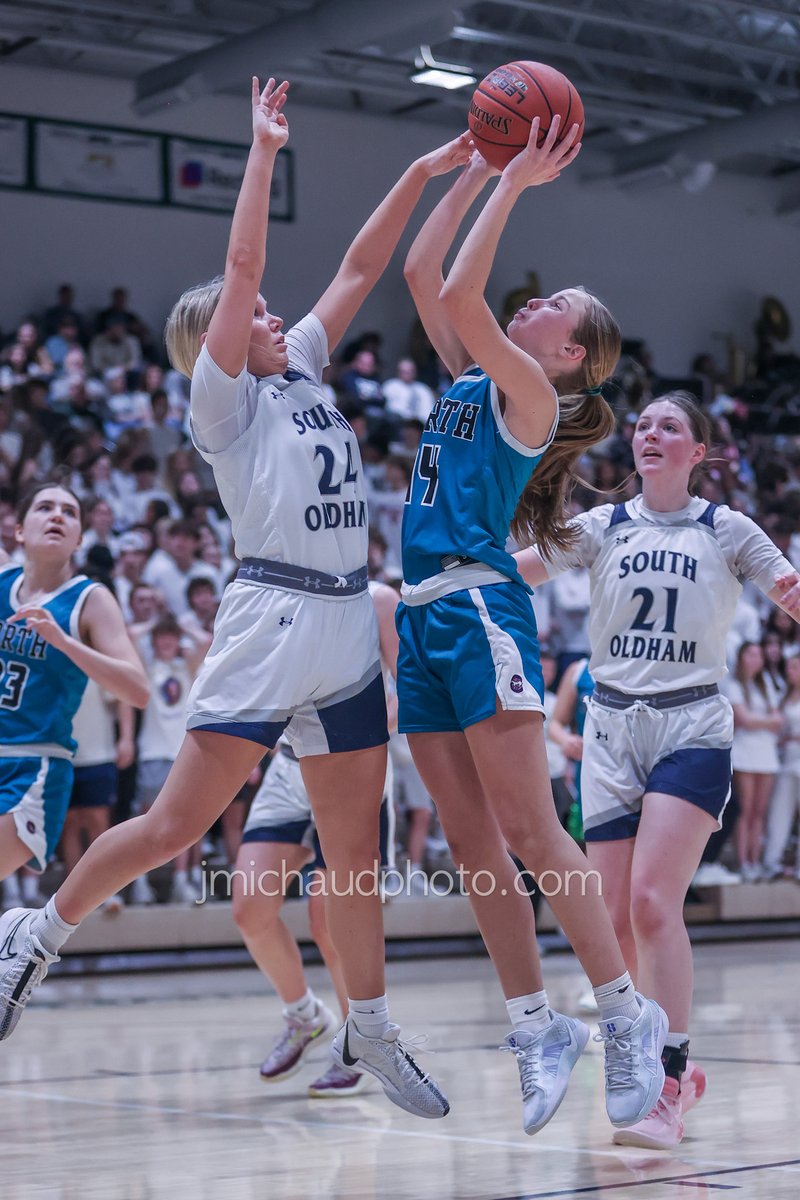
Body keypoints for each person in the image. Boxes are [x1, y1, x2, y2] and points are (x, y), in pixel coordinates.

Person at [0, 77, 471, 1121]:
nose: (270, 313)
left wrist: (423, 170)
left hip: (344, 619)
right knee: (175, 826)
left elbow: (359, 267)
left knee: (355, 857)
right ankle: (36, 934)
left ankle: (369, 1025)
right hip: (271, 617)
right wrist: (261, 151)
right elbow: (245, 263)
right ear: (211, 336)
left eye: (264, 312)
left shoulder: (299, 366)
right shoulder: (220, 399)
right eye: (249, 313)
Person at [399, 114, 666, 1139]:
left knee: (528, 829)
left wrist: (512, 181)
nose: (534, 301)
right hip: (421, 616)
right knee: (472, 842)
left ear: (567, 354)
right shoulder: (476, 377)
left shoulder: (528, 399)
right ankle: (534, 1025)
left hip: (478, 606)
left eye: (554, 306)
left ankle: (623, 1011)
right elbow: (425, 274)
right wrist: (471, 169)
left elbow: (465, 296)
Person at [515, 390, 800, 1147]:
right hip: (610, 728)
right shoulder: (601, 525)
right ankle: (659, 1068)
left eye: (669, 426)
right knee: (611, 918)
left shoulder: (726, 527)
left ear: (697, 452)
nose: (649, 433)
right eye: (642, 425)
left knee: (650, 903)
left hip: (691, 724)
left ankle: (667, 1078)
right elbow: (516, 574)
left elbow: (788, 593)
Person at [231, 579, 399, 1098]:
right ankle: (304, 1015)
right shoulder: (275, 595)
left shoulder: (378, 600)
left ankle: (359, 1042)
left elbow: (407, 687)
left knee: (329, 920)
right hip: (288, 766)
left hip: (352, 767)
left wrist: (369, 736)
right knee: (249, 908)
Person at [0, 482, 148, 920]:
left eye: (69, 512)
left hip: (33, 767)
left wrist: (65, 643)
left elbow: (137, 690)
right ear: (19, 529)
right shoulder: (3, 580)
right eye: (45, 507)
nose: (57, 516)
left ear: (80, 537)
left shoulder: (90, 599)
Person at [723, 641, 782, 881]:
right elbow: (743, 719)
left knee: (760, 812)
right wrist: (766, 722)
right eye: (751, 654)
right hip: (744, 753)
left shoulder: (765, 683)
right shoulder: (734, 684)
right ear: (741, 657)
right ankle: (743, 862)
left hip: (767, 753)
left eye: (759, 655)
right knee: (745, 811)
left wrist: (760, 722)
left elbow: (778, 719)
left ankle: (755, 861)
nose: (756, 659)